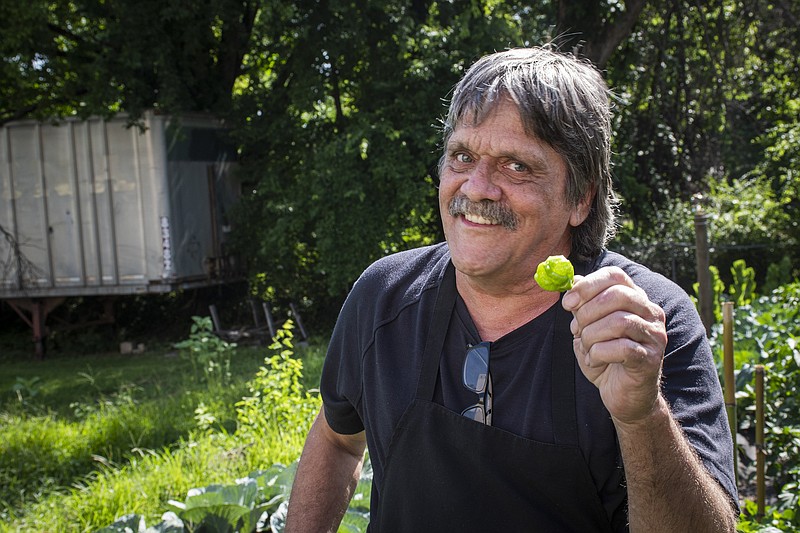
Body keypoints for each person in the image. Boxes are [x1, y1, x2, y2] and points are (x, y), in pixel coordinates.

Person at [284, 46, 739, 532]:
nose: (477, 187)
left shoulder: (640, 324)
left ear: (580, 198)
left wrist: (642, 416)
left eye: (516, 166)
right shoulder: (386, 296)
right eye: (462, 157)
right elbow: (337, 440)